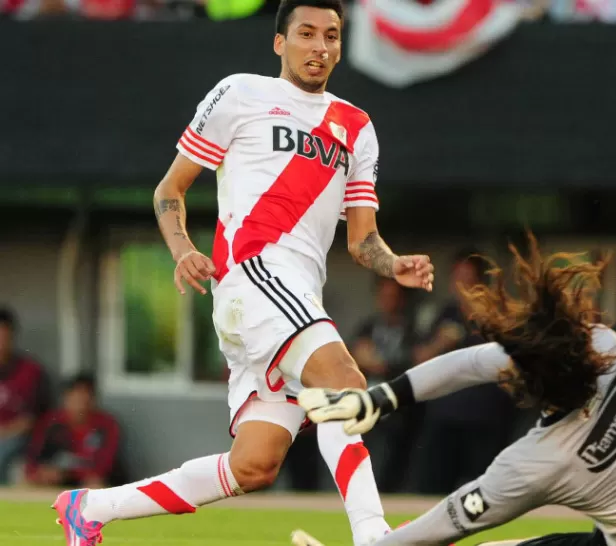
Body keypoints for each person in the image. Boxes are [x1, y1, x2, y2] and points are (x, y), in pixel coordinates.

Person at [52, 1, 435, 545]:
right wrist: (183, 248)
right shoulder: (240, 93)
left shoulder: (357, 126)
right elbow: (170, 189)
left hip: (295, 298)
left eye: (331, 35)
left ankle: (90, 507)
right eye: (306, 33)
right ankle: (374, 537)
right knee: (345, 383)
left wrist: (394, 263)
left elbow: (362, 240)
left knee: (254, 466)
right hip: (253, 278)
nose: (320, 47)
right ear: (280, 42)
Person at [294, 234, 616, 546]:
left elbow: (448, 522)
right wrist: (383, 398)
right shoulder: (605, 346)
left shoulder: (542, 461)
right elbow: (475, 361)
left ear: (529, 386)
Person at [412, 250, 517, 495]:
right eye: (457, 279)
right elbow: (418, 359)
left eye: (468, 279)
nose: (462, 286)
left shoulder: (500, 316)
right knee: (431, 491)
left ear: (481, 284)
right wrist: (440, 343)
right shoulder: (443, 314)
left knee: (485, 494)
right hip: (444, 417)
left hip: (486, 420)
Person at [350, 276, 421, 492]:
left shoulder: (412, 329)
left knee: (393, 470)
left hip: (400, 411)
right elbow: (356, 355)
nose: (388, 301)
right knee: (363, 465)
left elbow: (417, 360)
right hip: (368, 407)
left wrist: (383, 363)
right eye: (384, 296)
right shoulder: (369, 326)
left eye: (393, 296)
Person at [25, 374, 121, 489]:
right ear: (65, 399)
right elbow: (33, 458)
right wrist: (41, 472)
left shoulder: (106, 424)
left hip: (88, 481)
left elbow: (105, 465)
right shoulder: (50, 422)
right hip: (54, 478)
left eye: (85, 398)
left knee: (96, 485)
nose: (80, 405)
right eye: (75, 398)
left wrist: (70, 473)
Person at [0, 307, 51, 485]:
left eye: (3, 335)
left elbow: (33, 419)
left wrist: (4, 432)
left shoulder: (30, 371)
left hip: (18, 439)